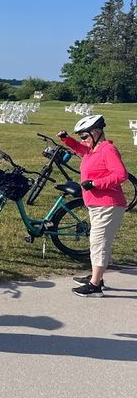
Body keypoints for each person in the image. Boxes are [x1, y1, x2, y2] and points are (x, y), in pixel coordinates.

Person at [57, 114, 128, 297]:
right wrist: (68, 140)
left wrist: (95, 183)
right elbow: (81, 150)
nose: (83, 140)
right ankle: (97, 277)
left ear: (96, 132)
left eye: (85, 136)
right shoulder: (93, 149)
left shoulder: (107, 150)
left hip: (108, 205)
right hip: (97, 205)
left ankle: (95, 285)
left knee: (99, 243)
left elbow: (121, 175)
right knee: (96, 242)